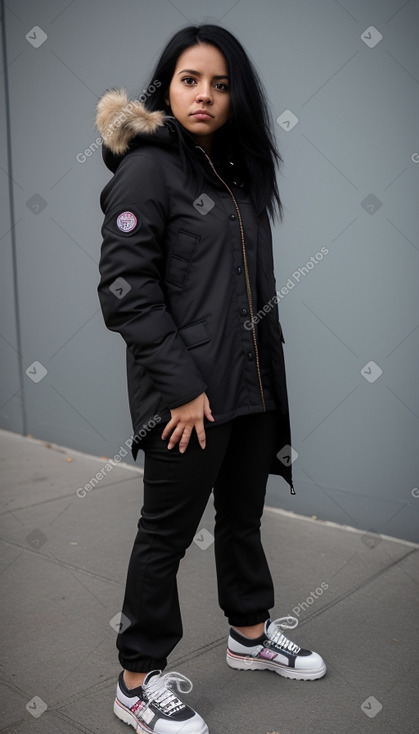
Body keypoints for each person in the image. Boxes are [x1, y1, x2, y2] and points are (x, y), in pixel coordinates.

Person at [96, 24, 326, 734]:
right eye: (190, 79)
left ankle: (249, 635)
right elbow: (126, 289)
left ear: (236, 97)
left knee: (243, 519)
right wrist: (181, 387)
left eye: (220, 84)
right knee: (164, 535)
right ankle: (137, 679)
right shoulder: (147, 168)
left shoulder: (233, 168)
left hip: (251, 386)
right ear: (165, 86)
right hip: (186, 399)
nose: (204, 95)